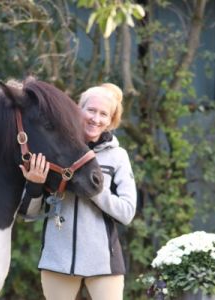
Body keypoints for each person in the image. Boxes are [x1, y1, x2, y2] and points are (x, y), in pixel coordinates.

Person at [19, 83, 137, 300]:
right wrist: (34, 183)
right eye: (91, 110)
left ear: (111, 121)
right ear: (77, 110)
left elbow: (127, 212)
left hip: (104, 263)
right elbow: (28, 214)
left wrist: (92, 188)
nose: (96, 118)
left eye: (104, 114)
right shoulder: (54, 149)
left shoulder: (118, 156)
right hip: (58, 260)